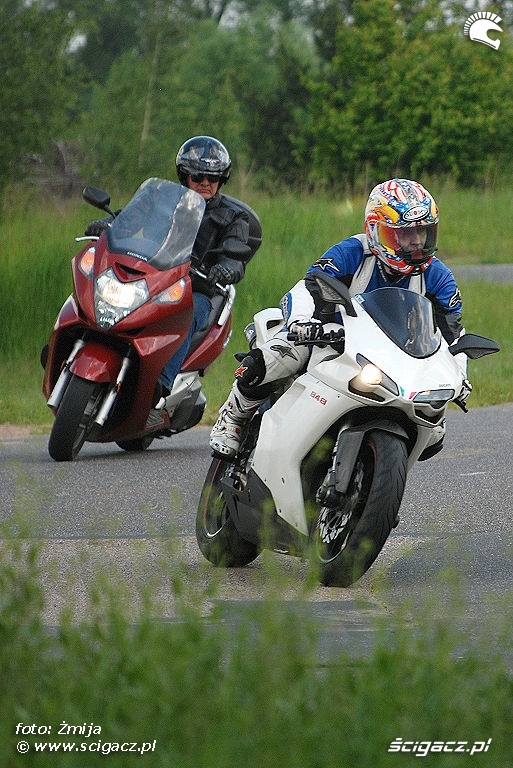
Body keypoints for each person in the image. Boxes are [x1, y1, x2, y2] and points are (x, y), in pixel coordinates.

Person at [210, 177, 471, 458]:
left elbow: (452, 333)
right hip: (332, 338)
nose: (416, 242)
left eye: (423, 232)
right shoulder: (352, 252)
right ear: (375, 230)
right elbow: (308, 288)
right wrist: (301, 322)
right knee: (277, 356)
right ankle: (233, 417)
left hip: (398, 356)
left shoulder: (438, 275)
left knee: (433, 432)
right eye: (404, 234)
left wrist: (458, 375)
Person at [85, 135, 260, 405]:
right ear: (184, 175)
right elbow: (128, 221)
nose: (205, 182)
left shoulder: (233, 217)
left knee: (188, 313)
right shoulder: (159, 197)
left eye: (213, 177)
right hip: (151, 277)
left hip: (196, 288)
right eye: (198, 175)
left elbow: (235, 256)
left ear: (222, 179)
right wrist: (108, 226)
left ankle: (159, 385)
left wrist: (226, 269)